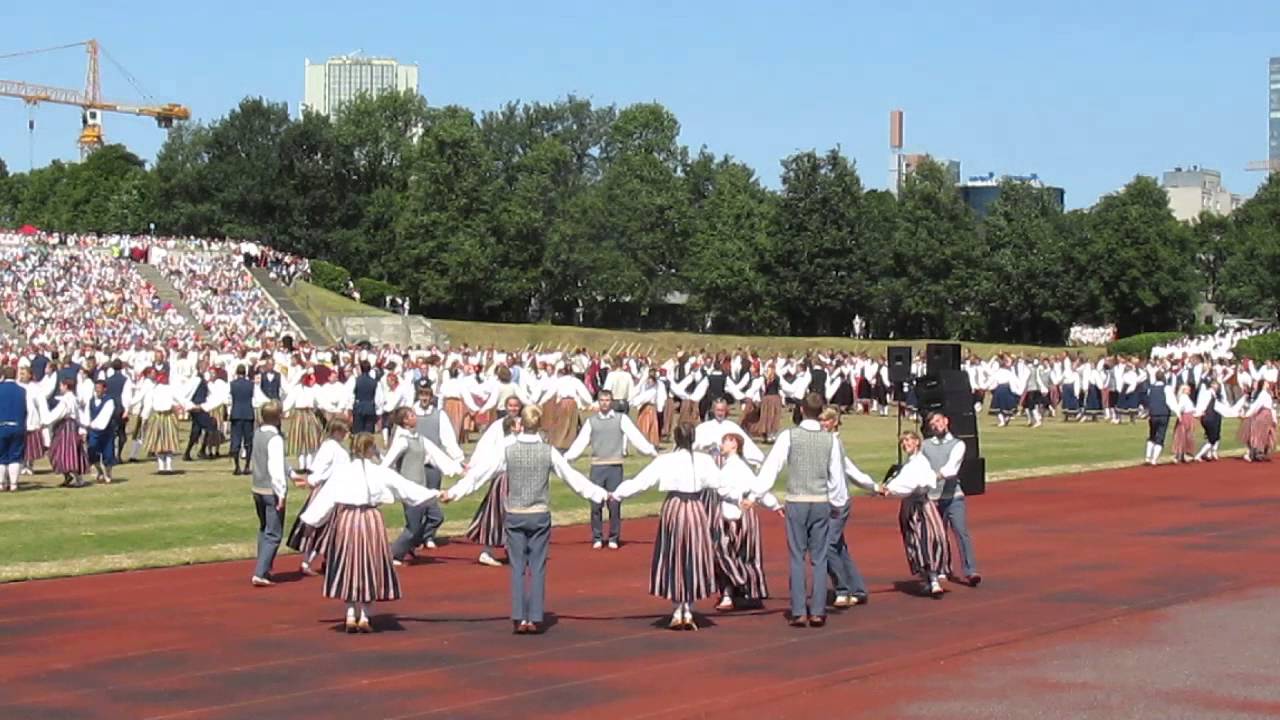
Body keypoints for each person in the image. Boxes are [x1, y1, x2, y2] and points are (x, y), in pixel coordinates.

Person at [443, 405, 607, 634]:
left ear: (522, 424)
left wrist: (453, 493)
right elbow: (573, 478)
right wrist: (600, 494)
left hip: (515, 515)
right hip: (539, 514)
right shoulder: (548, 451)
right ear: (538, 425)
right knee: (537, 567)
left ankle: (520, 616)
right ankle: (535, 616)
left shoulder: (508, 450)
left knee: (518, 567)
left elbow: (479, 475)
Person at [299, 433, 442, 633]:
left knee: (348, 565)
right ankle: (364, 615)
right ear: (370, 449)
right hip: (370, 520)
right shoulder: (380, 472)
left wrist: (310, 521)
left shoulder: (343, 472)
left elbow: (326, 499)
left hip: (347, 520)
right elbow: (407, 489)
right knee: (370, 566)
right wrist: (435, 494)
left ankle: (350, 614)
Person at [611, 423, 726, 630]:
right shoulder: (705, 460)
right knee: (693, 557)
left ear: (675, 438)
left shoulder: (665, 460)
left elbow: (641, 482)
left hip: (673, 508)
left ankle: (677, 609)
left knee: (673, 556)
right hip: (695, 509)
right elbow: (720, 483)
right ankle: (688, 608)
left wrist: (617, 494)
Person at [754, 392, 846, 627]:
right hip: (820, 501)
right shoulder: (831, 440)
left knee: (797, 556)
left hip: (796, 500)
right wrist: (837, 504)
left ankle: (798, 610)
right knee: (819, 557)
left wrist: (757, 493)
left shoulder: (789, 436)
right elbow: (837, 476)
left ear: (802, 410)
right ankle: (817, 610)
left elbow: (771, 467)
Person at [563, 389, 658, 550]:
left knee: (614, 503)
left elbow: (636, 437)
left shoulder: (621, 419)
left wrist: (651, 452)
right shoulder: (591, 422)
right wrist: (566, 459)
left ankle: (614, 537)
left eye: (607, 400)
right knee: (595, 503)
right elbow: (580, 443)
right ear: (598, 402)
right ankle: (597, 537)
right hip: (597, 466)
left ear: (611, 402)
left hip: (615, 466)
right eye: (602, 400)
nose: (605, 403)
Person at [383, 406, 463, 565]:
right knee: (413, 527)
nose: (416, 417)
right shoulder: (402, 442)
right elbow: (386, 464)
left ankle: (410, 545)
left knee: (436, 517)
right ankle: (393, 555)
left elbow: (437, 456)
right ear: (405, 421)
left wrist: (459, 469)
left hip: (423, 489)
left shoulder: (419, 438)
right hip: (409, 491)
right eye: (412, 415)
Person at [713, 432, 780, 611]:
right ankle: (731, 593)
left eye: (724, 442)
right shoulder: (729, 465)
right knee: (730, 553)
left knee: (730, 552)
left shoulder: (737, 466)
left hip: (739, 516)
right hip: (730, 514)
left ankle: (740, 585)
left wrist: (773, 505)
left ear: (734, 444)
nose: (721, 445)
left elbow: (754, 488)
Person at [880, 431, 951, 598]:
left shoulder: (920, 462)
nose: (906, 444)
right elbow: (902, 483)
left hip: (923, 506)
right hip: (910, 507)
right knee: (915, 542)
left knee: (930, 538)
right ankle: (927, 577)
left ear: (917, 442)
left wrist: (891, 489)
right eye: (903, 441)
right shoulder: (909, 464)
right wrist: (888, 488)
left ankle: (933, 577)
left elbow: (916, 483)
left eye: (909, 440)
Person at [820, 407, 878, 608]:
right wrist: (872, 486)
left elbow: (842, 471)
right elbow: (850, 469)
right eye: (821, 420)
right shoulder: (829, 442)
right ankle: (858, 589)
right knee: (839, 548)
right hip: (831, 500)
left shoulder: (833, 442)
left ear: (834, 422)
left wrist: (872, 486)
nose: (823, 423)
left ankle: (842, 588)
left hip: (837, 501)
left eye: (826, 420)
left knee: (827, 546)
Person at [286, 418, 351, 577]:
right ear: (336, 432)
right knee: (322, 528)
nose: (346, 434)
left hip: (335, 490)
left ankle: (328, 561)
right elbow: (320, 470)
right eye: (343, 431)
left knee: (331, 530)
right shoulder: (331, 448)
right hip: (329, 492)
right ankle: (307, 562)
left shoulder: (332, 447)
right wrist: (311, 481)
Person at [923, 413, 980, 586]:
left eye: (939, 421)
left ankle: (970, 571)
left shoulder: (958, 444)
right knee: (937, 536)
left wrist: (933, 477)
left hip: (953, 496)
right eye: (932, 423)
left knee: (961, 532)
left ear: (946, 421)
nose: (936, 425)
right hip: (932, 498)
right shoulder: (924, 446)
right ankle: (941, 568)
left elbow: (951, 468)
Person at [408, 382, 466, 550]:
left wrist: (459, 459)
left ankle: (428, 535)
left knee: (432, 501)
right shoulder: (410, 413)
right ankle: (415, 535)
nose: (424, 398)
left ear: (431, 396)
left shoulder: (439, 415)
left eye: (427, 394)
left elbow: (448, 440)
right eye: (421, 394)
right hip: (415, 465)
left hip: (433, 465)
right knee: (416, 503)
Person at [465, 406, 521, 567]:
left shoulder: (516, 442)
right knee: (499, 517)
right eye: (518, 424)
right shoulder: (507, 444)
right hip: (505, 483)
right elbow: (490, 465)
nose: (521, 426)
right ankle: (488, 551)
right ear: (511, 427)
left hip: (513, 482)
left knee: (503, 518)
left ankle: (509, 550)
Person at [249, 401, 290, 587]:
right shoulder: (275, 439)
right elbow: (275, 468)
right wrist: (281, 494)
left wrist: (293, 474)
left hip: (257, 487)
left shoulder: (258, 434)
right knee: (274, 533)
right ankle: (261, 571)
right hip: (270, 490)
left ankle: (263, 565)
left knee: (264, 528)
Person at [46, 377, 89, 488]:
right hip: (70, 427)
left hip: (66, 428)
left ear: (66, 386)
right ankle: (69, 477)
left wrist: (45, 421)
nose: (60, 388)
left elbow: (57, 414)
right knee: (68, 452)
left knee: (65, 452)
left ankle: (78, 479)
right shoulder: (72, 398)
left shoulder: (66, 400)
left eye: (61, 385)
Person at [83, 379, 117, 484]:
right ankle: (100, 471)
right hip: (93, 432)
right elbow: (86, 414)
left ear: (104, 389)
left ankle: (108, 474)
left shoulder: (109, 401)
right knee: (92, 453)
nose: (97, 390)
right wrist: (86, 427)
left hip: (106, 432)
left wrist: (93, 424)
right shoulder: (91, 401)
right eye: (96, 388)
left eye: (99, 388)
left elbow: (104, 418)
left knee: (108, 454)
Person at [1143, 372, 1179, 465]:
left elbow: (1148, 400)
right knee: (1160, 436)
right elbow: (1171, 402)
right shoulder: (1167, 388)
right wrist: (1178, 413)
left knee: (1152, 435)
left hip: (1153, 414)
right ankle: (1154, 459)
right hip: (1163, 414)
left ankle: (1147, 458)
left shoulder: (1150, 388)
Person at [0, 366, 26, 492]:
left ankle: (1, 483)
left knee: (2, 456)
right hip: (18, 426)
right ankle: (14, 484)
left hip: (2, 426)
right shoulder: (22, 390)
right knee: (15, 455)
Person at [228, 364, 257, 476]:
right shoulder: (251, 384)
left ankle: (237, 467)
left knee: (236, 440)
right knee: (248, 442)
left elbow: (229, 399)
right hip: (248, 414)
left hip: (236, 414)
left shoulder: (232, 384)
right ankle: (247, 466)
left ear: (237, 373)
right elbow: (255, 399)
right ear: (245, 373)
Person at [1170, 384, 1197, 464]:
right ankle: (1178, 456)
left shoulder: (1186, 398)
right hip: (1185, 417)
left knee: (1186, 437)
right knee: (1181, 436)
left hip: (1189, 416)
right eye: (1188, 389)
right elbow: (1180, 407)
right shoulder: (1183, 398)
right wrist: (1179, 416)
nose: (1189, 391)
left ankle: (1183, 455)